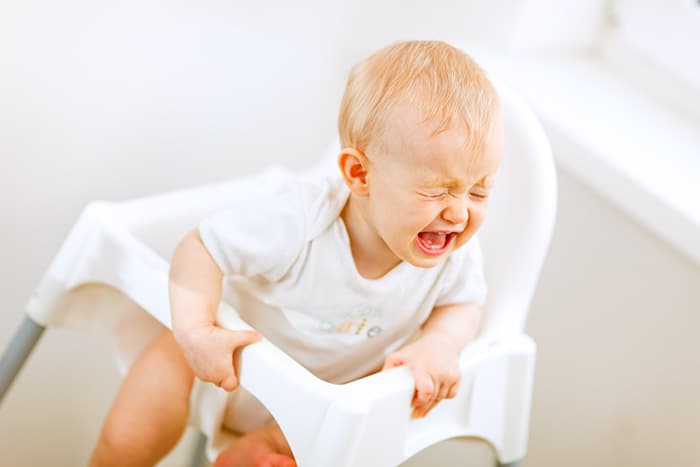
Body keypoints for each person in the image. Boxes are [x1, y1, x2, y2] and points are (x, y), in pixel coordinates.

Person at [89, 40, 503, 467]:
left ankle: (234, 456)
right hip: (217, 367)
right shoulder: (297, 221)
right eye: (436, 190)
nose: (457, 212)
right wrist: (196, 332)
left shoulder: (453, 255)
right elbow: (201, 247)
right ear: (360, 175)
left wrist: (439, 343)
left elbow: (463, 302)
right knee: (136, 422)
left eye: (479, 190)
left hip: (308, 408)